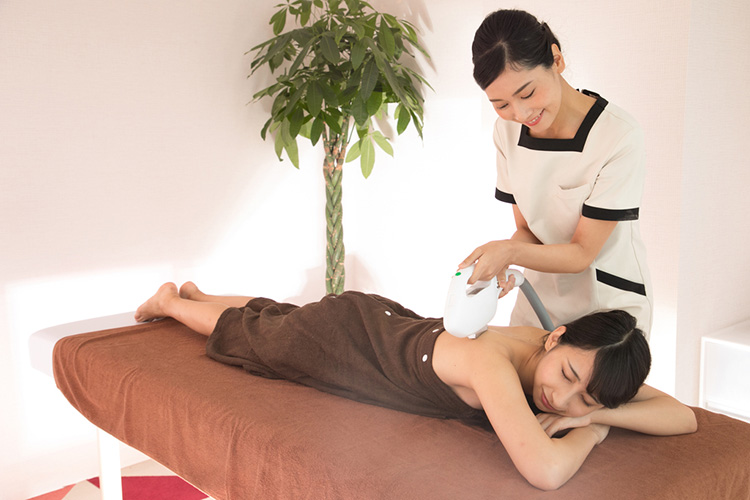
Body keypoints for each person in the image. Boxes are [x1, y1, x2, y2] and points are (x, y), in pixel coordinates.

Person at [135, 283, 696, 491]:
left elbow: (683, 416)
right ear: (556, 337)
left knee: (282, 317)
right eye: (568, 377)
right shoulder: (493, 364)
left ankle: (199, 293)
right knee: (256, 337)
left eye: (585, 399)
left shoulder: (566, 363)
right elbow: (546, 471)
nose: (562, 400)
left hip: (395, 327)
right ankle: (173, 303)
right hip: (350, 341)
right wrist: (591, 432)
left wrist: (595, 413)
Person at [461, 9, 653, 335]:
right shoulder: (506, 132)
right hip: (537, 302)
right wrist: (501, 261)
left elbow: (582, 253)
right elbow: (528, 230)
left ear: (557, 59)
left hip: (605, 310)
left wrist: (509, 251)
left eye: (527, 93)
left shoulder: (617, 136)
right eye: (501, 104)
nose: (521, 113)